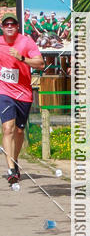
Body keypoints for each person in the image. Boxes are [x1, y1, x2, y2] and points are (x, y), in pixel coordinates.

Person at [0, 12, 44, 183]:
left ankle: (15, 161)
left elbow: (40, 64)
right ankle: (11, 169)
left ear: (17, 26)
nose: (9, 26)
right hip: (4, 91)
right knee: (8, 128)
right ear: (2, 27)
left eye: (12, 24)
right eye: (6, 24)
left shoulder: (26, 42)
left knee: (19, 131)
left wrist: (22, 58)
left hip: (23, 93)